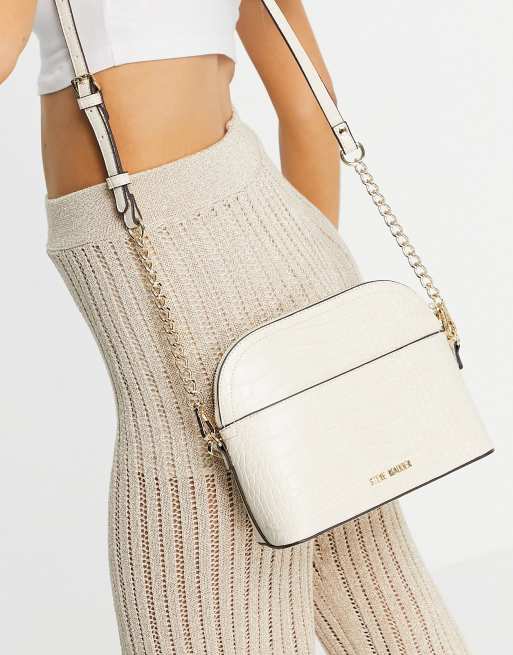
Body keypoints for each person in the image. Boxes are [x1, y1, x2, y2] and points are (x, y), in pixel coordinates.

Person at [2, 1, 472, 653]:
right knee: (380, 605)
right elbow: (309, 110)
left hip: (187, 303)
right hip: (292, 250)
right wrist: (307, 328)